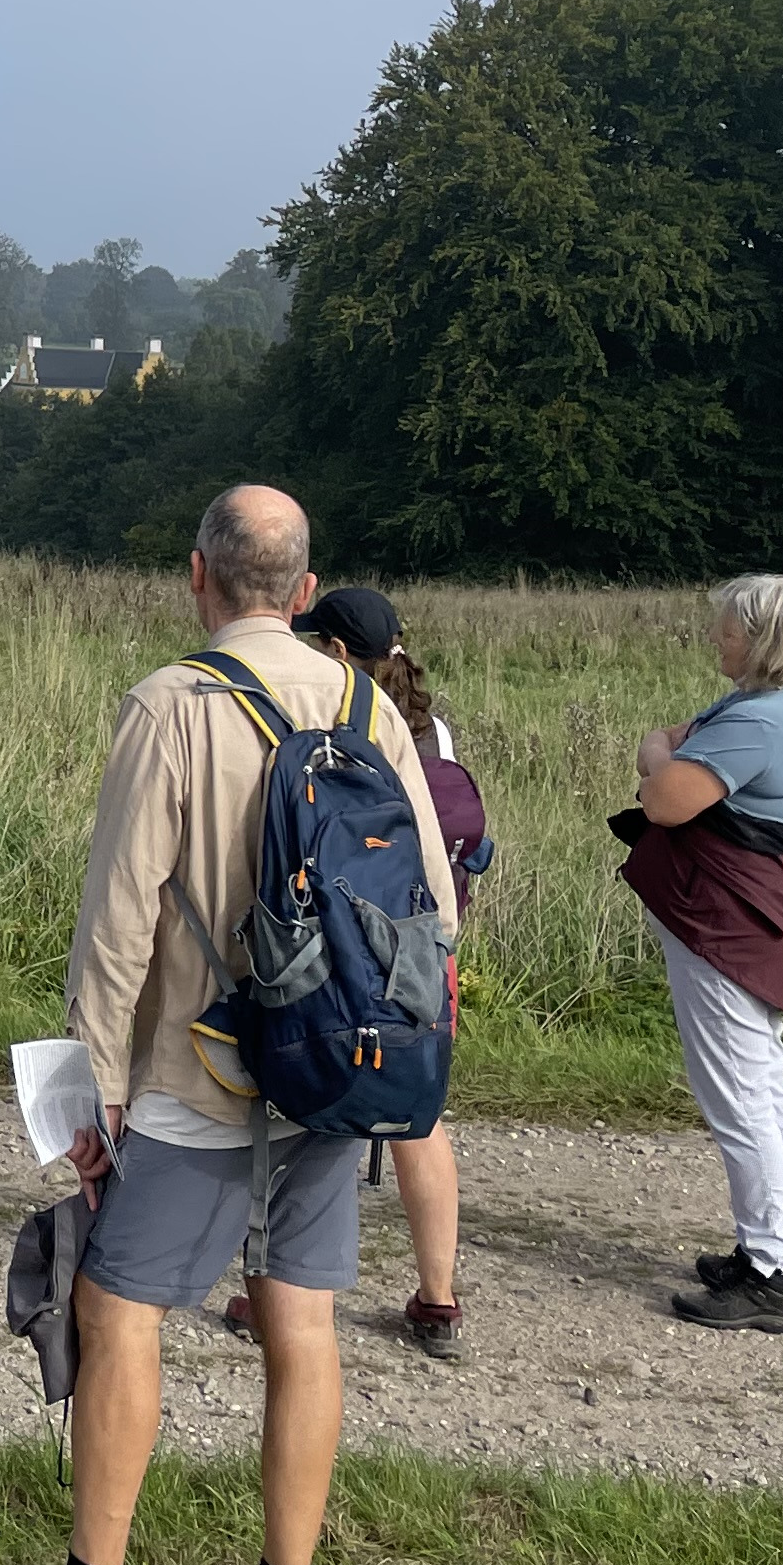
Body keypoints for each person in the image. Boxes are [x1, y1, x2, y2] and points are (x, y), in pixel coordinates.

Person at [57, 486, 460, 1565]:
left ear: (197, 575)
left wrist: (95, 1082)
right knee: (300, 1314)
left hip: (201, 1060)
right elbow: (438, 905)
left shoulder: (171, 703)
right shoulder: (370, 707)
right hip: (335, 1058)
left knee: (118, 1303)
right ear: (306, 591)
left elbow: (119, 916)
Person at [625, 571, 783, 1336]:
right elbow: (675, 764)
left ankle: (769, 1272)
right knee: (763, 1088)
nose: (716, 636)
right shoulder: (773, 709)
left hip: (728, 925)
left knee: (739, 1095)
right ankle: (782, 1251)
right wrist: (667, 753)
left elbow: (665, 796)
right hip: (744, 920)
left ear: (761, 640)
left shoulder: (760, 720)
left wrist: (656, 751)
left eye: (728, 628)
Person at [285, 583, 487, 1364]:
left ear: (336, 650)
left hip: (338, 935)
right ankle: (437, 1297)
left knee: (303, 1103)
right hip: (421, 943)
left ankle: (276, 1286)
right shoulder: (435, 732)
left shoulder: (326, 719)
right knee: (418, 1114)